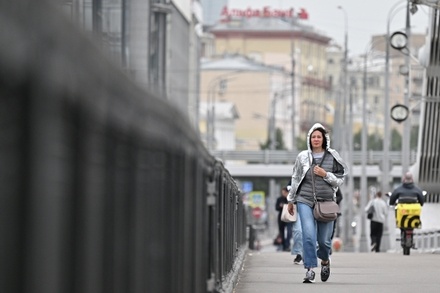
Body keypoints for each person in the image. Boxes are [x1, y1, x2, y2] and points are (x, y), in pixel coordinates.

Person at [287, 123, 347, 283]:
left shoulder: (333, 156)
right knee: (308, 235)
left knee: (324, 241)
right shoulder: (302, 157)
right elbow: (295, 178)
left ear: (324, 139)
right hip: (304, 200)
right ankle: (310, 269)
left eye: (318, 137)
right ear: (309, 139)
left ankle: (325, 261)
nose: (316, 139)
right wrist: (291, 200)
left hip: (326, 202)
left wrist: (325, 174)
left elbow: (340, 180)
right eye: (313, 136)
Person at [286, 182, 303, 265]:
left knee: (310, 232)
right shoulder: (296, 175)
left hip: (312, 207)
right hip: (298, 207)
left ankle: (309, 254)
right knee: (298, 231)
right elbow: (289, 187)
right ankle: (299, 253)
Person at [275, 187, 292, 251]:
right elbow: (276, 208)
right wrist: (280, 206)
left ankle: (287, 245)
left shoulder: (290, 199)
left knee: (289, 231)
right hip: (281, 217)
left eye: (285, 193)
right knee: (281, 232)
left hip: (289, 217)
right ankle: (283, 245)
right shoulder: (279, 199)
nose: (284, 194)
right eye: (283, 193)